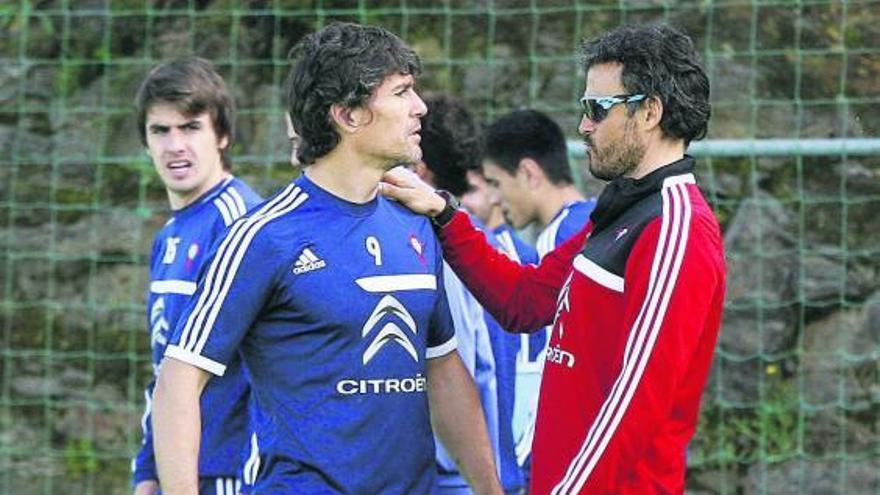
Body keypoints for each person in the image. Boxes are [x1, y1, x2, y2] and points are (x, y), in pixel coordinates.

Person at [151, 22, 503, 495]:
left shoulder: (414, 224)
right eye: (401, 92)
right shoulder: (264, 236)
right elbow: (178, 380)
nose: (419, 108)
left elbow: (443, 369)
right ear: (349, 115)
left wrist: (491, 489)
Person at [381, 22, 726, 494]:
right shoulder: (621, 208)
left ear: (650, 112)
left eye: (597, 109)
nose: (584, 125)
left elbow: (633, 410)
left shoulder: (675, 228)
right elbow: (524, 301)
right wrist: (445, 214)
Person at [132, 57, 263, 495]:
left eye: (190, 128)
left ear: (221, 135)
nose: (175, 146)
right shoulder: (168, 236)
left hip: (234, 469)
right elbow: (164, 363)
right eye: (160, 131)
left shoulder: (240, 223)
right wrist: (148, 469)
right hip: (181, 467)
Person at [482, 109, 596, 477]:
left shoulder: (563, 239)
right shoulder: (592, 221)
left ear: (529, 173)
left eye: (496, 184)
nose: (496, 200)